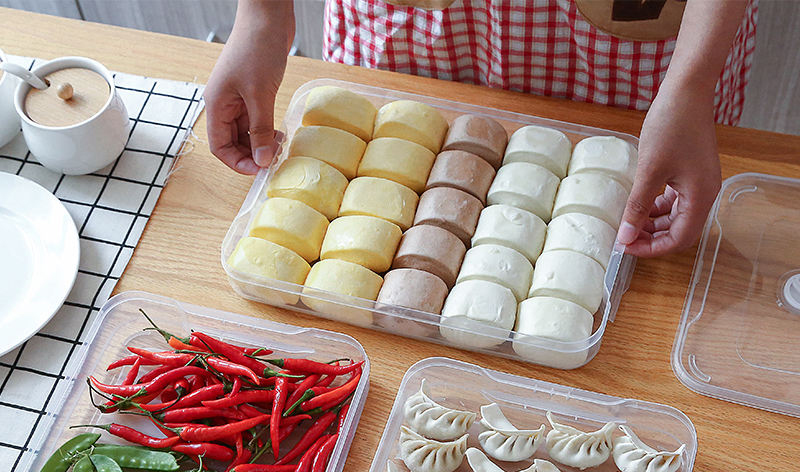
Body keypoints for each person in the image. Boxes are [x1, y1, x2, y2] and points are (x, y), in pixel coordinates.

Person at [205, 0, 757, 257]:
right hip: (415, 26)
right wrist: (261, 13)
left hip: (637, 53)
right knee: (393, 141)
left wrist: (689, 86)